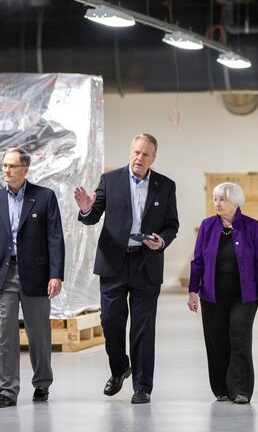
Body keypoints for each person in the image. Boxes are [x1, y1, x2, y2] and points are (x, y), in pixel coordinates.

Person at [74, 133, 179, 404]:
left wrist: (163, 240)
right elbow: (92, 215)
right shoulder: (110, 181)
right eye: (136, 152)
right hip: (113, 264)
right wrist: (86, 209)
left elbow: (172, 224)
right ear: (129, 152)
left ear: (153, 158)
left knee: (143, 328)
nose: (139, 158)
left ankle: (142, 387)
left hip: (147, 263)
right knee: (110, 322)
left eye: (145, 154)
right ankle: (120, 367)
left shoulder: (165, 186)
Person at [0, 147, 65, 408]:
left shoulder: (45, 197)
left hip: (36, 275)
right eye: (4, 165)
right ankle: (6, 391)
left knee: (38, 333)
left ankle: (42, 383)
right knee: (4, 334)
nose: (6, 170)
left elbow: (55, 239)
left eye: (12, 166)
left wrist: (55, 275)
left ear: (25, 169)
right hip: (3, 275)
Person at [187, 182, 258, 404]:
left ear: (235, 201)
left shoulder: (252, 226)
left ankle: (241, 389)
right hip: (212, 295)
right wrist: (192, 291)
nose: (217, 203)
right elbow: (197, 261)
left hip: (245, 295)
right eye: (215, 199)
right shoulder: (207, 226)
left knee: (239, 337)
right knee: (216, 341)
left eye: (222, 199)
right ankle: (222, 389)